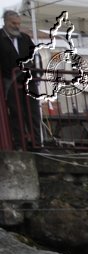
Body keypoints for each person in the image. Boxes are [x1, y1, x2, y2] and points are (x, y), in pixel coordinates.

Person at [0, 9, 36, 150]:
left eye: (18, 23)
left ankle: (36, 144)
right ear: (6, 22)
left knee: (32, 112)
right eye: (14, 23)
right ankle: (20, 143)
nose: (17, 26)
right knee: (16, 113)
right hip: (9, 81)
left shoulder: (24, 38)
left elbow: (33, 56)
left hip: (28, 80)